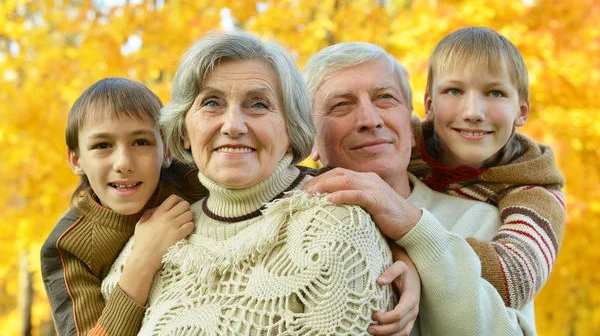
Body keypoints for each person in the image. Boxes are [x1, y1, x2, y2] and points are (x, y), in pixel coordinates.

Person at [100, 31, 404, 335]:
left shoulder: (338, 227)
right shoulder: (152, 237)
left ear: (291, 128)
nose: (233, 125)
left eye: (258, 104)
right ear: (183, 132)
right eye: (212, 103)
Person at [301, 41, 540, 335]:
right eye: (341, 105)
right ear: (311, 138)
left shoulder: (482, 220)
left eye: (385, 98)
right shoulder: (284, 220)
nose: (370, 120)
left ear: (411, 128)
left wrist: (415, 231)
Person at [409, 26, 565, 308]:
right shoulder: (401, 143)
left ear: (522, 110)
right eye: (454, 90)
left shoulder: (535, 188)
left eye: (494, 93)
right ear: (429, 105)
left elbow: (514, 278)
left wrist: (407, 239)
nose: (472, 113)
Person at [40, 78, 204, 336]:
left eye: (140, 142)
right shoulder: (66, 246)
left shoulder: (192, 179)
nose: (124, 163)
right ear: (76, 159)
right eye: (102, 146)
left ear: (168, 150)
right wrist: (143, 259)